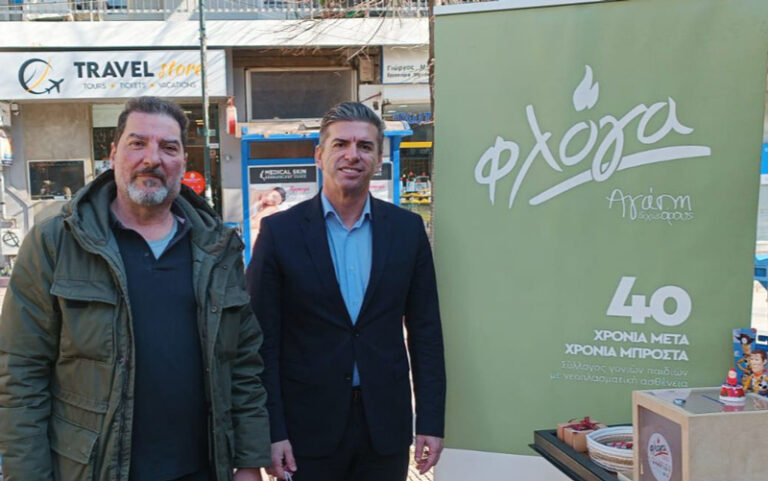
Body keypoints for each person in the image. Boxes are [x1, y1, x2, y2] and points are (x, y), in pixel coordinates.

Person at [0, 96, 269, 481]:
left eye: (168, 147)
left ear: (184, 162)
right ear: (113, 154)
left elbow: (242, 365)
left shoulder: (217, 249)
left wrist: (249, 461)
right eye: (137, 143)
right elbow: (20, 374)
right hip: (92, 470)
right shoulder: (56, 242)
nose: (152, 159)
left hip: (203, 469)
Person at [246, 101, 446, 481]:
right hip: (306, 431)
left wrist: (431, 422)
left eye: (365, 146)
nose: (352, 155)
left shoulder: (407, 231)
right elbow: (260, 340)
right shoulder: (280, 233)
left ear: (378, 159)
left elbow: (426, 332)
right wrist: (271, 431)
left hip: (385, 428)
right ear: (319, 155)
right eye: (340, 144)